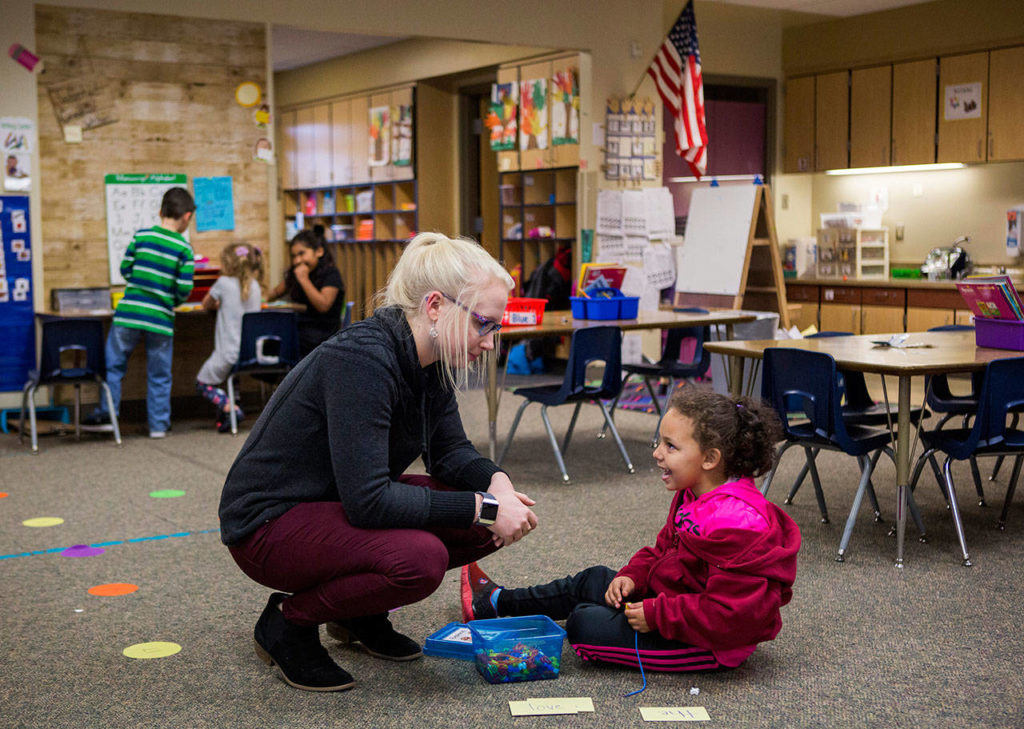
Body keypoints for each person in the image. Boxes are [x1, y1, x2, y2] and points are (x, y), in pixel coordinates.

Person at [219, 232, 539, 692]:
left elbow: (449, 454)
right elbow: (368, 501)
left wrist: (499, 487)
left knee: (485, 519)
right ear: (435, 307)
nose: (491, 342)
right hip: (266, 526)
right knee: (422, 558)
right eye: (484, 323)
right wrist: (485, 507)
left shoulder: (433, 358)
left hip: (333, 505)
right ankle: (288, 621)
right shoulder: (363, 361)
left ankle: (355, 611)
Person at [463, 386, 800, 673]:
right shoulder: (694, 491)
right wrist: (634, 576)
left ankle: (521, 610)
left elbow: (733, 616)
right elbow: (663, 551)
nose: (657, 453)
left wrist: (658, 614)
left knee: (584, 623)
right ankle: (495, 603)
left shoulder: (737, 524)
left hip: (710, 641)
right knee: (595, 579)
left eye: (671, 446)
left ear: (710, 459)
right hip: (676, 605)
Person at [84, 187, 195, 438]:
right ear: (187, 217)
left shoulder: (141, 236)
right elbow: (184, 290)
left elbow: (125, 269)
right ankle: (158, 426)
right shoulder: (184, 250)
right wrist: (169, 298)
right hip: (161, 319)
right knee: (159, 373)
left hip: (129, 313)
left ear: (160, 212)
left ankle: (109, 418)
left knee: (113, 366)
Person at [194, 243, 263, 433]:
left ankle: (229, 407)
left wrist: (219, 305)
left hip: (227, 353)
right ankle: (232, 408)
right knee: (233, 376)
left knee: (202, 383)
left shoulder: (223, 283)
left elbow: (205, 304)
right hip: (250, 353)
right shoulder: (255, 286)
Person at [267, 228, 344, 357]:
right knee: (270, 338)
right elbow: (274, 293)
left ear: (319, 251)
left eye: (302, 254)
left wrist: (304, 279)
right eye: (293, 256)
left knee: (283, 343)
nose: (297, 260)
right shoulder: (295, 273)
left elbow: (323, 305)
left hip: (322, 333)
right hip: (301, 330)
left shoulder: (331, 274)